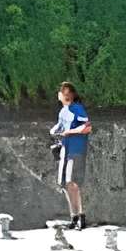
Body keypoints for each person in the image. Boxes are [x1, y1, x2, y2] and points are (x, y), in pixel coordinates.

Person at [48, 81, 91, 230]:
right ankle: (73, 217)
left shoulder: (77, 108)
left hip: (76, 150)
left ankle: (81, 216)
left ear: (72, 95)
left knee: (72, 182)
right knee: (64, 184)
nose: (64, 94)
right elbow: (59, 126)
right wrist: (54, 130)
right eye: (62, 92)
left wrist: (70, 132)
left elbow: (87, 127)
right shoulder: (63, 111)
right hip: (65, 150)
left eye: (67, 92)